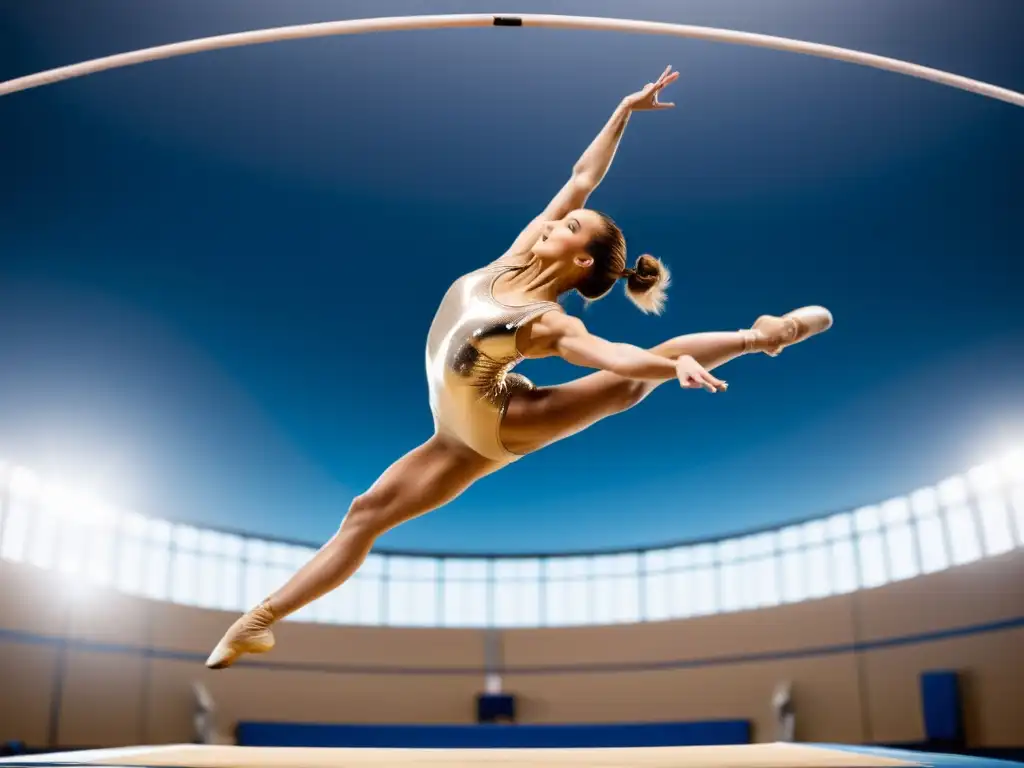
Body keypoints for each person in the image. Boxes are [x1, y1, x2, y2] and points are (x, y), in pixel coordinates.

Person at [206, 66, 831, 669]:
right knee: (364, 514)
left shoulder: (547, 322)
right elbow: (583, 175)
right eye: (562, 217)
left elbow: (612, 356)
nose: (556, 220)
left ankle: (763, 336)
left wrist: (676, 370)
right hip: (453, 439)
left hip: (504, 422)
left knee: (626, 384)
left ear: (582, 262)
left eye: (570, 226)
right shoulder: (512, 257)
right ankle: (257, 622)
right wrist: (622, 112)